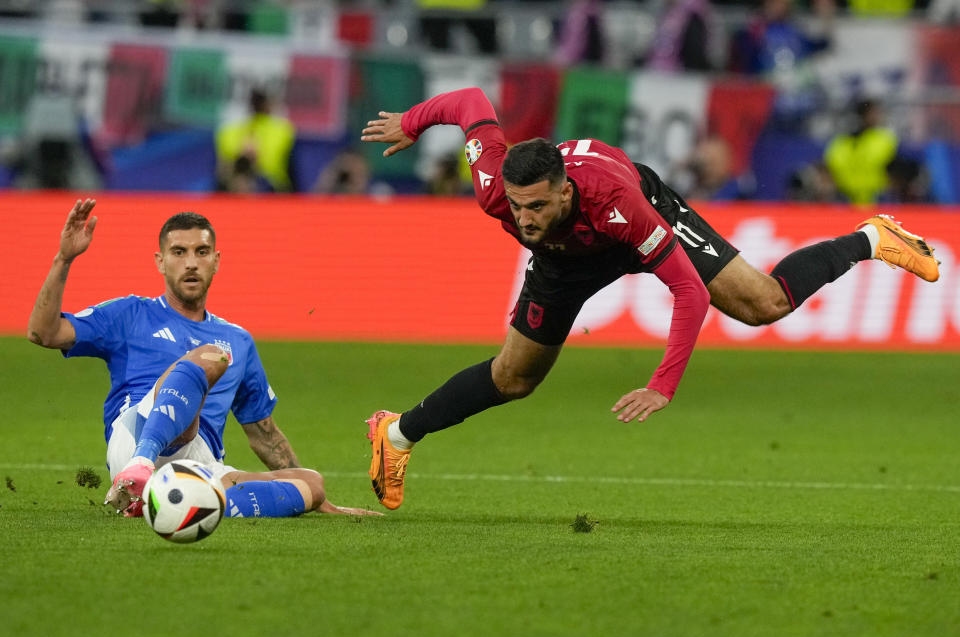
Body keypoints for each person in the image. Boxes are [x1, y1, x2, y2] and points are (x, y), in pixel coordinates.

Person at [359, 87, 940, 510]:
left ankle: (871, 238)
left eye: (537, 206)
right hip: (564, 264)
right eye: (517, 207)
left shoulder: (617, 202)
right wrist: (413, 120)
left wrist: (662, 384)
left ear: (565, 190)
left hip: (631, 221)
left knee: (761, 305)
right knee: (514, 379)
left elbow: (687, 289)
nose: (524, 218)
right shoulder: (496, 186)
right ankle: (396, 434)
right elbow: (468, 102)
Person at [27, 199, 379, 518]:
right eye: (178, 252)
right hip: (136, 438)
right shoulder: (130, 314)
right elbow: (44, 333)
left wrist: (318, 502)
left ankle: (174, 502)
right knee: (209, 357)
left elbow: (264, 435)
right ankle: (140, 470)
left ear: (217, 260)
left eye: (201, 251)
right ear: (160, 262)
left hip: (201, 462)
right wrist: (64, 259)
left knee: (311, 483)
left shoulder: (239, 340)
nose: (191, 263)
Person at [216, 88, 296, 193]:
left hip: (270, 186)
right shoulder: (232, 131)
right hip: (241, 181)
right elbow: (227, 166)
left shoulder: (282, 131)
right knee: (239, 179)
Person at [824, 98, 898, 205]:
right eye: (873, 113)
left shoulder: (884, 139)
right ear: (861, 115)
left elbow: (892, 169)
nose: (877, 117)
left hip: (877, 197)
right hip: (845, 198)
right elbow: (831, 168)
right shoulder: (841, 142)